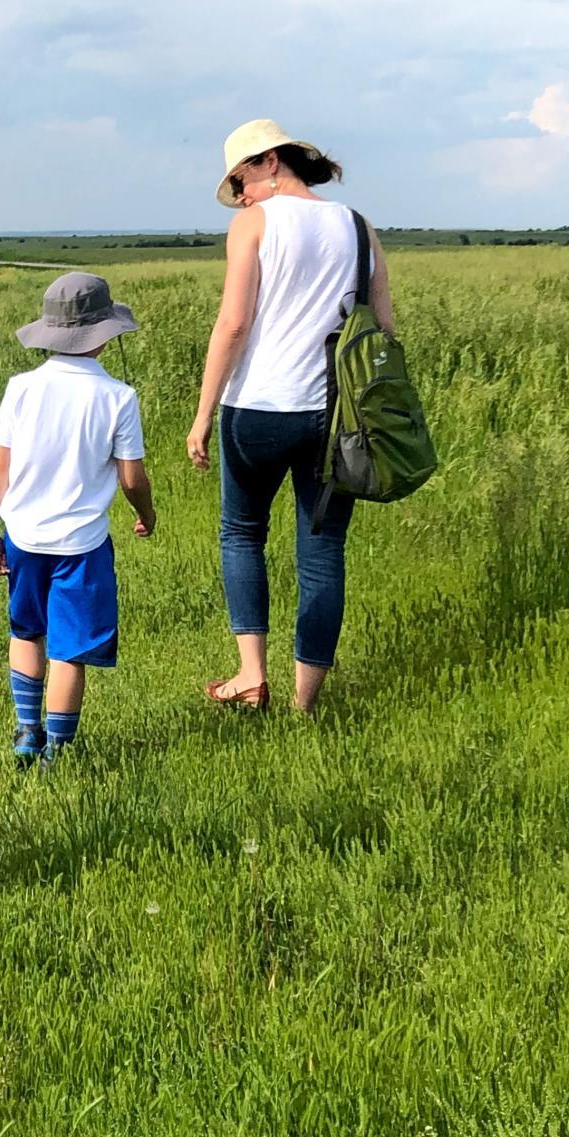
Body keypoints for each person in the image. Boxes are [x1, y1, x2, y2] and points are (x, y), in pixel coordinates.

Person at [185, 119, 394, 714]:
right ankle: (306, 705)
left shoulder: (253, 224)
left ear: (270, 160)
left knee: (241, 532)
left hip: (258, 407)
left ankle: (251, 675)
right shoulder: (357, 225)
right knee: (323, 550)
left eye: (240, 178)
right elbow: (383, 327)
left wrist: (202, 416)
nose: (239, 193)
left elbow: (233, 324)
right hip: (336, 417)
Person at [0, 273, 155, 765]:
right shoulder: (119, 397)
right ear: (103, 334)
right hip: (82, 543)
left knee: (26, 631)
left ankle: (27, 731)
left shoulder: (22, 388)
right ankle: (58, 751)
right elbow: (132, 477)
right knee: (70, 649)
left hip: (24, 536)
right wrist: (146, 514)